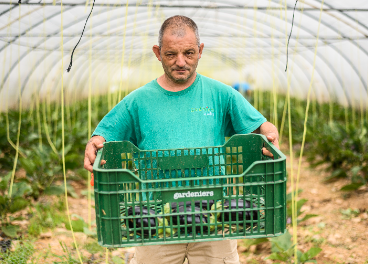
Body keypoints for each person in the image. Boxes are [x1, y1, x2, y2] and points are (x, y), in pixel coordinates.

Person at [84, 15, 279, 264]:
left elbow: (258, 126)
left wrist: (268, 130)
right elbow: (105, 134)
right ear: (157, 52)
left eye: (188, 53)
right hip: (154, 217)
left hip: (214, 215)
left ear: (200, 51)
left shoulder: (221, 94)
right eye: (170, 54)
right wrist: (94, 143)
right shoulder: (138, 100)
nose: (180, 62)